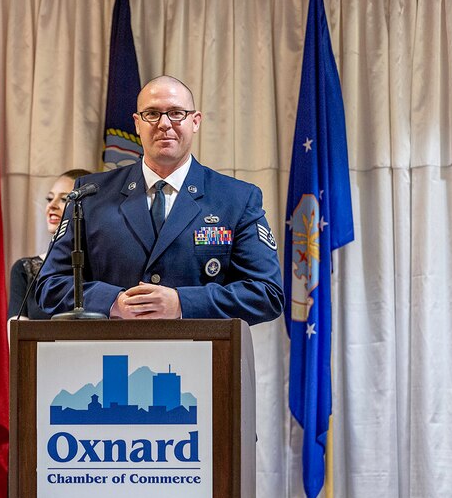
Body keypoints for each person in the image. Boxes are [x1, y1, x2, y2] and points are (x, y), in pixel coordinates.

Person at [36, 75, 284, 325]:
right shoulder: (91, 196)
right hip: (112, 358)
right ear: (136, 123)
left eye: (177, 113)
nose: (164, 123)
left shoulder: (236, 198)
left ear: (195, 121)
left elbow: (266, 293)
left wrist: (182, 304)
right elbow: (50, 285)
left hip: (201, 357)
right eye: (152, 114)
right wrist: (113, 302)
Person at [8, 168, 91, 319]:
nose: (51, 206)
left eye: (65, 199)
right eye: (49, 198)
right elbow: (16, 337)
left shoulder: (105, 269)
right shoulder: (24, 269)